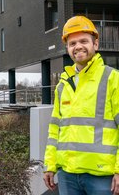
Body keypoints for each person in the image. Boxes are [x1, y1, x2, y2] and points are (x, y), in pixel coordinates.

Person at [43, 16, 119, 195]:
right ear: (68, 48)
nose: (78, 46)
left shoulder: (113, 79)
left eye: (84, 41)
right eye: (72, 43)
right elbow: (55, 130)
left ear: (96, 44)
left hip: (102, 177)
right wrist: (50, 164)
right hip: (68, 175)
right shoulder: (63, 85)